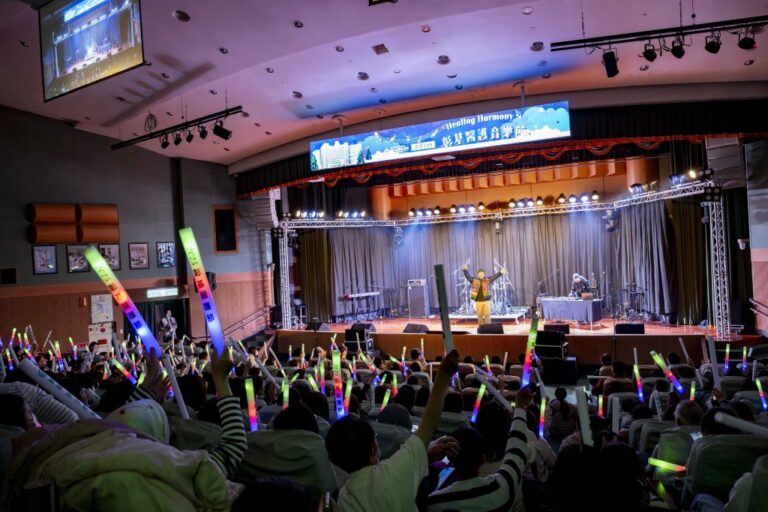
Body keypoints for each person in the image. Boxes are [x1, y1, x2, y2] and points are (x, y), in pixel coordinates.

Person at [325, 349, 460, 511]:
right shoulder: (391, 473)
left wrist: (424, 454)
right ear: (374, 449)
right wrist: (444, 374)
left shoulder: (343, 498)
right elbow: (429, 423)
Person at [427, 388, 532, 511]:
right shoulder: (503, 488)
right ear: (482, 458)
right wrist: (519, 406)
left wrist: (428, 457)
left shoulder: (433, 504)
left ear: (450, 457)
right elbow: (517, 447)